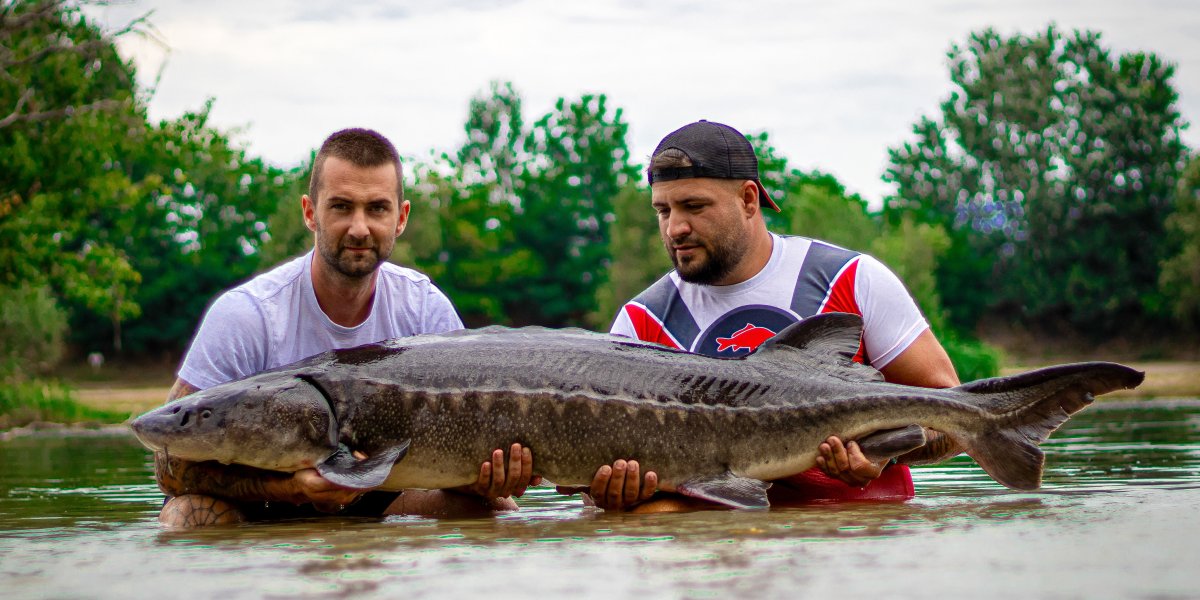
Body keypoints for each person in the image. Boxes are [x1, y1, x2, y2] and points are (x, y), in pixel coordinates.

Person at [156, 128, 538, 527]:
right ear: (310, 212)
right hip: (265, 502)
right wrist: (291, 489)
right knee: (187, 517)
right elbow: (169, 466)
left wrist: (488, 479)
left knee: (497, 511)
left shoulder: (425, 309)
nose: (359, 228)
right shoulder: (246, 315)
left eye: (377, 208)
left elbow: (464, 453)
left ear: (401, 218)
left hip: (382, 496)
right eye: (341, 207)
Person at [582, 120, 962, 512]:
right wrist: (609, 498)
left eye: (694, 207)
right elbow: (592, 477)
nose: (675, 228)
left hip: (864, 534)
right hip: (716, 543)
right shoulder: (641, 321)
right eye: (663, 210)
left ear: (749, 200)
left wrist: (886, 452)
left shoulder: (851, 279)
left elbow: (955, 418)